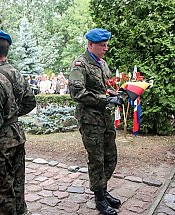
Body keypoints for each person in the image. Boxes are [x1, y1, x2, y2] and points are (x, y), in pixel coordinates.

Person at [0, 29, 36, 215]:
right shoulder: (16, 73)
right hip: (17, 135)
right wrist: (11, 115)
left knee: (2, 191)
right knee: (18, 185)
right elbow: (30, 101)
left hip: (1, 144)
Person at [69, 28, 123, 215]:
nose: (106, 48)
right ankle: (99, 197)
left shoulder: (102, 64)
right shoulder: (80, 64)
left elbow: (104, 87)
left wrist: (116, 94)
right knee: (97, 159)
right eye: (102, 45)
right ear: (90, 45)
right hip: (90, 120)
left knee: (110, 156)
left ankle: (103, 189)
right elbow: (77, 93)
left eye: (106, 44)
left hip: (105, 118)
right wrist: (106, 100)